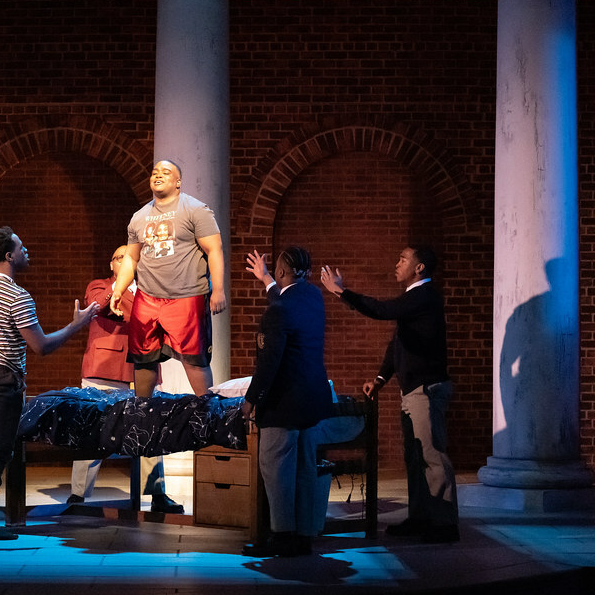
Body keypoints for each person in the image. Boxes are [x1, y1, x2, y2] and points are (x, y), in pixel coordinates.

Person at [0, 226, 99, 540]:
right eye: (22, 248)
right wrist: (77, 324)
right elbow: (41, 346)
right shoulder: (16, 295)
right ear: (9, 255)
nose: (26, 251)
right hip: (1, 378)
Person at [109, 158, 226, 514]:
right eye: (154, 172)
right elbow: (132, 258)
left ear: (178, 181)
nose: (157, 175)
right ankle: (141, 408)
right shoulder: (138, 217)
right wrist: (119, 289)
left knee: (192, 356)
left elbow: (214, 250)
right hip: (148, 296)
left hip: (186, 295)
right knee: (142, 357)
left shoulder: (195, 210)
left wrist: (218, 289)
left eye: (165, 172)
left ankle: (208, 408)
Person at [320, 245, 459, 543]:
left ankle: (444, 524)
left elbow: (383, 311)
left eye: (403, 259)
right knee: (414, 456)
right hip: (412, 390)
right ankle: (421, 517)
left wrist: (342, 292)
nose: (396, 264)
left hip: (426, 388)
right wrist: (381, 378)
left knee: (431, 455)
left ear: (419, 268)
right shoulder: (414, 299)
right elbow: (398, 341)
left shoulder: (424, 296)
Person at [67, 246, 175, 512]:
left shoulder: (152, 289)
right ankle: (78, 496)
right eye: (120, 258)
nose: (126, 261)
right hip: (104, 369)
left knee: (151, 428)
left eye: (131, 258)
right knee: (93, 428)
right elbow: (102, 308)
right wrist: (123, 290)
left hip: (144, 367)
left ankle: (157, 493)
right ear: (112, 265)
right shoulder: (99, 286)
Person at [241, 246, 333, 557]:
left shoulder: (277, 309)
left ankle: (282, 534)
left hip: (283, 402)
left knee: (277, 468)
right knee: (306, 468)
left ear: (282, 273)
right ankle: (304, 535)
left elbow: (270, 360)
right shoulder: (314, 298)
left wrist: (252, 399)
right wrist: (267, 279)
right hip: (311, 399)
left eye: (275, 271)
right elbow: (286, 303)